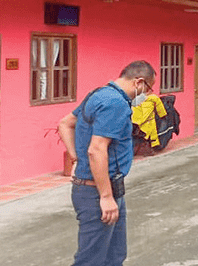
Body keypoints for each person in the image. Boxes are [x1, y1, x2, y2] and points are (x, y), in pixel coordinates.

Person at [58, 60, 156, 265]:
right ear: (138, 82)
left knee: (114, 256)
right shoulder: (115, 104)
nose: (146, 95)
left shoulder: (98, 94)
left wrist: (76, 158)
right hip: (97, 192)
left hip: (106, 188)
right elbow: (96, 149)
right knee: (92, 260)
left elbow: (66, 124)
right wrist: (105, 196)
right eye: (148, 89)